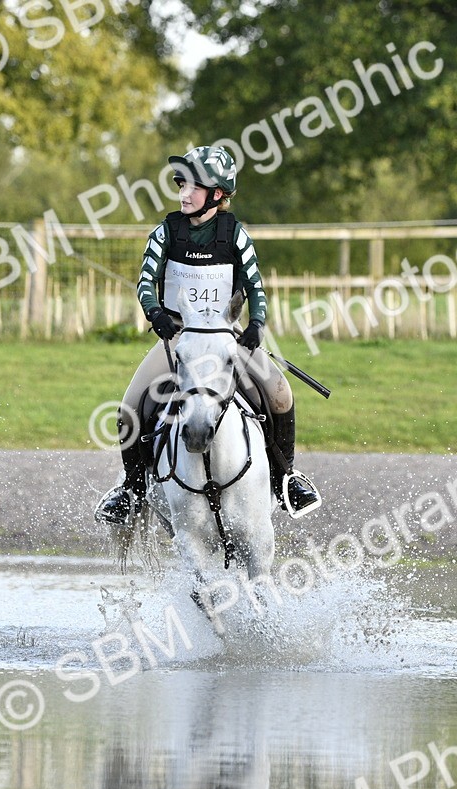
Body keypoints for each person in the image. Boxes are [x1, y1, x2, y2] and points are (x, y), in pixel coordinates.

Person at [95, 145, 322, 525]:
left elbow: (256, 288)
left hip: (225, 337)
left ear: (217, 194)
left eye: (192, 186)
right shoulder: (165, 231)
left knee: (280, 393)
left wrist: (256, 324)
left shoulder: (236, 235)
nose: (183, 193)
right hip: (177, 337)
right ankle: (131, 490)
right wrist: (155, 315)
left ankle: (287, 480)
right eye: (180, 184)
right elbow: (145, 282)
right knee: (130, 408)